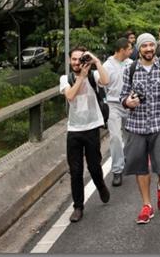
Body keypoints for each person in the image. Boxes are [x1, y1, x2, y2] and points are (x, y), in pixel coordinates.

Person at [120, 33, 160, 224]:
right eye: (144, 46)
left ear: (155, 47)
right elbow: (123, 96)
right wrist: (128, 102)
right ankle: (146, 205)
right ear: (139, 48)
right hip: (136, 125)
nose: (148, 49)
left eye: (151, 45)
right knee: (139, 165)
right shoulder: (131, 69)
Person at [60, 46, 110, 222]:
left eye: (80, 59)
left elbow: (106, 80)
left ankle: (100, 185)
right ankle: (78, 207)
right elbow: (70, 96)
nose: (76, 62)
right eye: (73, 59)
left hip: (92, 127)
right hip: (74, 130)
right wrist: (80, 77)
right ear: (69, 61)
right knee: (75, 171)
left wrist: (96, 61)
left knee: (94, 166)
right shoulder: (65, 78)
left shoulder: (93, 75)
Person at [103, 38, 133, 187]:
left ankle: (127, 157)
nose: (131, 51)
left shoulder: (131, 64)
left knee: (130, 136)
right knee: (115, 137)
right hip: (113, 104)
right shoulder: (107, 66)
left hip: (129, 103)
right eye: (129, 48)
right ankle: (117, 170)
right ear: (122, 50)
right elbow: (100, 82)